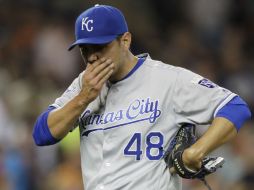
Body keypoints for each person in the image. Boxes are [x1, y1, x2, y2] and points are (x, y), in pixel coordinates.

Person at [33, 4, 251, 190]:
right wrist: (83, 98)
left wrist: (197, 151)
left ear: (125, 41)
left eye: (101, 46)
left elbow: (235, 107)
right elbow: (42, 134)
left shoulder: (167, 79)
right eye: (85, 49)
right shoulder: (83, 85)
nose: (93, 57)